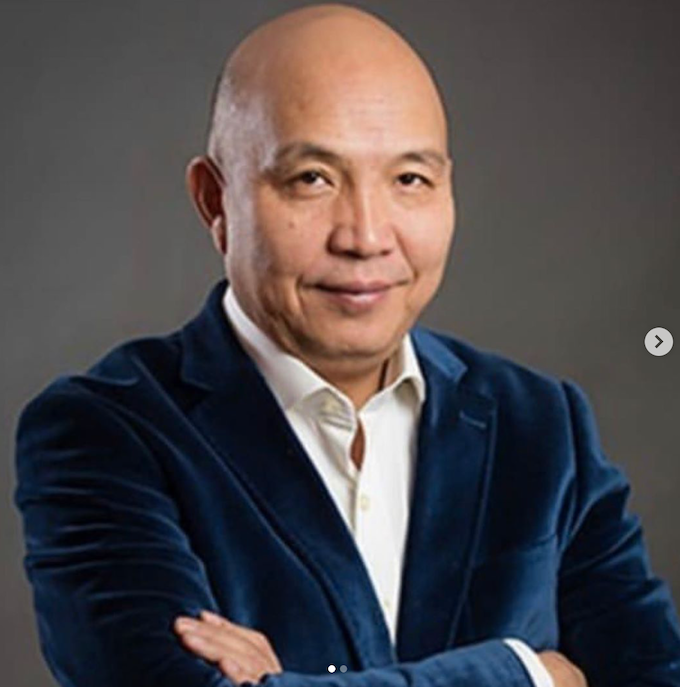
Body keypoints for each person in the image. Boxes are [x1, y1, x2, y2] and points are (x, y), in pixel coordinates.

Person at [13, 4, 680, 687]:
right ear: (215, 201)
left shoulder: (541, 425)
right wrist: (528, 673)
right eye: (312, 179)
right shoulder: (102, 434)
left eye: (409, 179)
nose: (365, 236)